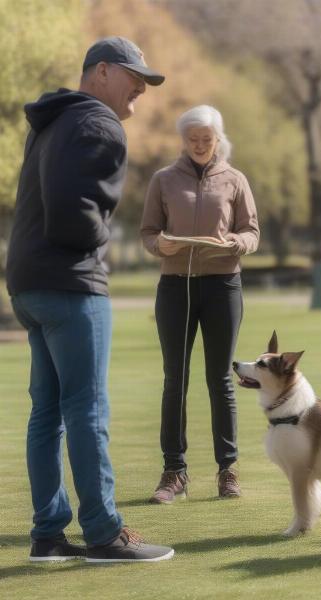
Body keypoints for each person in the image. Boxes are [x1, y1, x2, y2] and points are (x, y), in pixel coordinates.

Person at [6, 36, 174, 563]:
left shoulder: (51, 122)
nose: (139, 91)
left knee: (48, 413)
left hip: (29, 284)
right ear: (100, 71)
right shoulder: (99, 123)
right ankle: (103, 534)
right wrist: (96, 241)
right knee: (87, 411)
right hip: (72, 284)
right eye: (133, 77)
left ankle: (49, 535)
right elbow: (71, 209)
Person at [140, 105, 259, 503]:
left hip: (223, 285)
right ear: (183, 140)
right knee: (175, 379)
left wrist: (237, 243)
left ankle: (228, 471)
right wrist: (160, 244)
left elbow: (251, 231)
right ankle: (174, 471)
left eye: (207, 140)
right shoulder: (163, 180)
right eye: (193, 140)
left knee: (220, 380)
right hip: (175, 287)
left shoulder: (235, 180)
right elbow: (148, 231)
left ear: (218, 139)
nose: (200, 146)